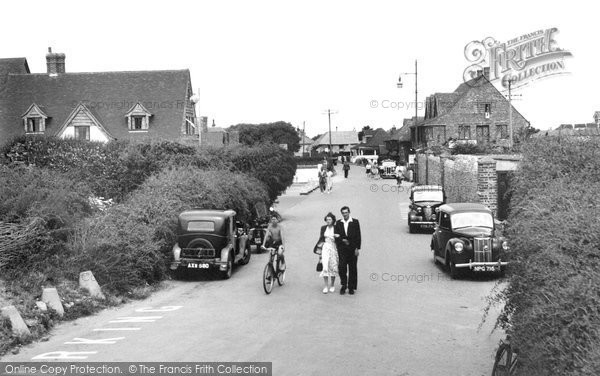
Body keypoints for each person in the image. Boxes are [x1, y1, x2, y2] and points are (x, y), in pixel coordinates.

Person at [335, 206, 362, 295]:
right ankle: (344, 285)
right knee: (342, 268)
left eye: (346, 212)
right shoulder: (339, 223)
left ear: (349, 212)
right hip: (342, 249)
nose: (345, 214)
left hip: (352, 249)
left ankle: (351, 287)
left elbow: (358, 236)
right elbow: (336, 236)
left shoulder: (355, 222)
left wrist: (357, 248)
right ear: (341, 214)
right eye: (343, 213)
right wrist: (342, 240)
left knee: (352, 268)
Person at [316, 212, 340, 294]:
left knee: (333, 266)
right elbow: (321, 239)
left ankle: (332, 285)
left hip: (333, 247)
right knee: (325, 266)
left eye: (330, 219)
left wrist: (338, 237)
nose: (328, 221)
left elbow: (339, 239)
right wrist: (319, 252)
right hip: (325, 247)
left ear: (333, 220)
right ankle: (326, 286)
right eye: (327, 219)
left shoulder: (336, 227)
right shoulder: (323, 228)